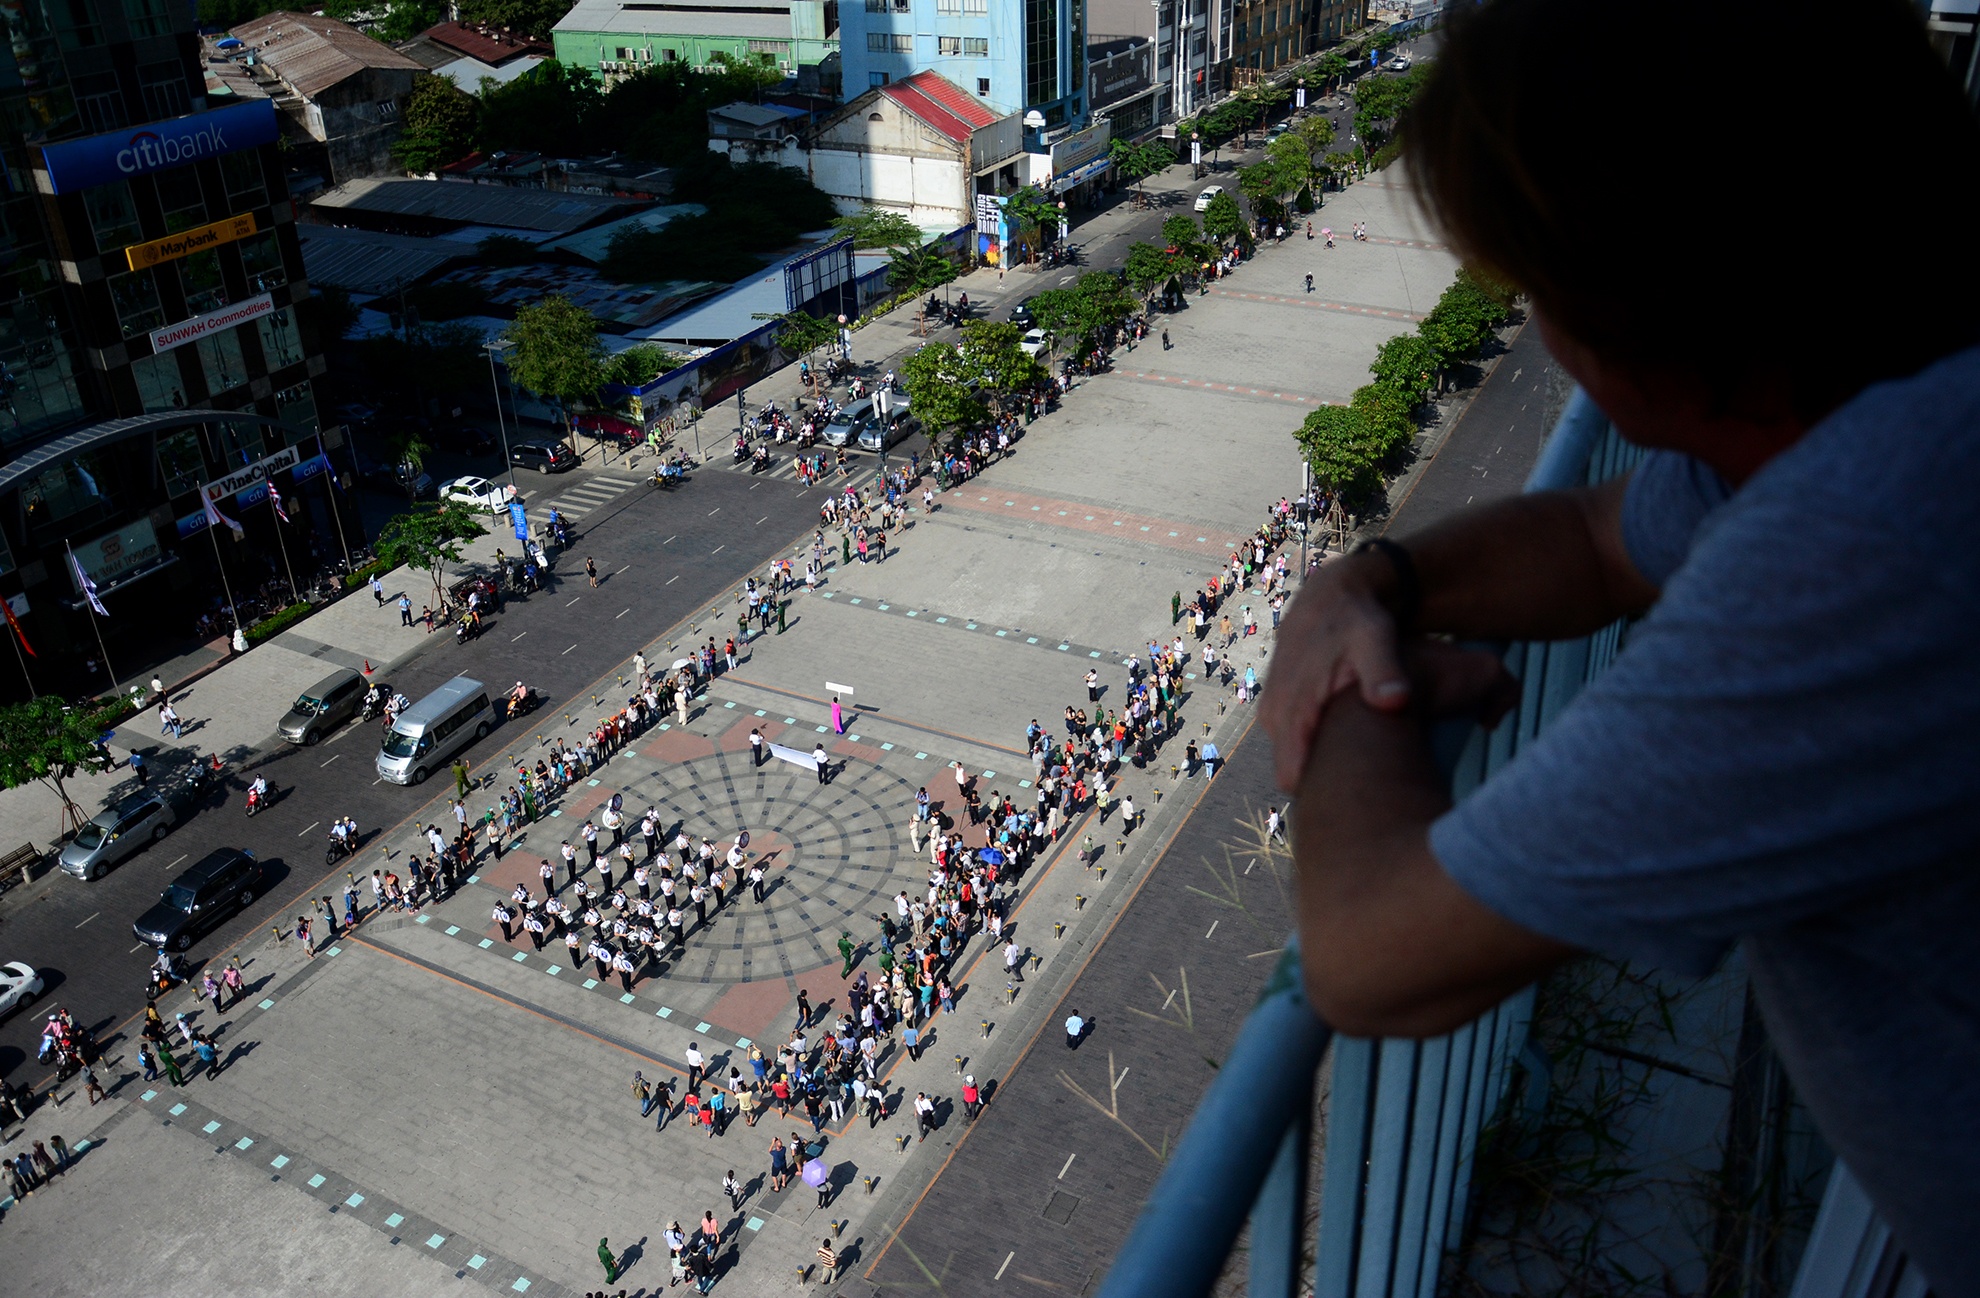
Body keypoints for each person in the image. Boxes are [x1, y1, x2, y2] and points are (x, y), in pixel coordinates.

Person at [1261, 4, 1980, 1292]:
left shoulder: (1856, 558)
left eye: (1535, 287)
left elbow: (1369, 959)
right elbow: (1603, 537)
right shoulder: (1878, 399)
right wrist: (1381, 575)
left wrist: (1344, 672)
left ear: (1622, 326)